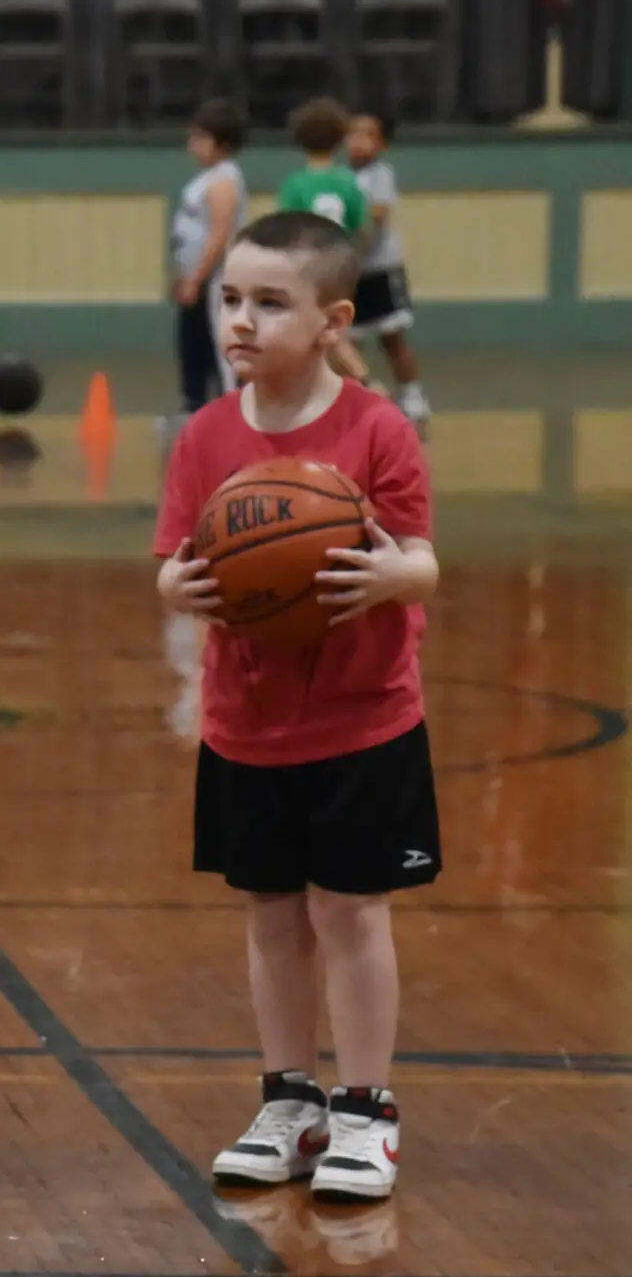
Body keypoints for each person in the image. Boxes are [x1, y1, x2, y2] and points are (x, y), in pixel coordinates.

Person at [154, 212, 438, 1204]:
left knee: (351, 912)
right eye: (230, 299)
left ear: (332, 320)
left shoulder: (374, 429)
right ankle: (289, 1099)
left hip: (363, 718)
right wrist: (176, 591)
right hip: (245, 721)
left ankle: (365, 1108)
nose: (240, 319)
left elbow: (423, 560)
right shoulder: (202, 437)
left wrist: (384, 577)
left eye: (269, 302)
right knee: (272, 914)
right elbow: (171, 567)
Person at [276, 98, 372, 386]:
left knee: (326, 333)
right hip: (341, 264)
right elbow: (362, 227)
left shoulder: (296, 184)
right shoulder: (348, 182)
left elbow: (286, 229)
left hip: (308, 269)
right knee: (328, 330)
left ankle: (367, 385)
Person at [347, 110, 430, 428]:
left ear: (381, 145)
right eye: (353, 133)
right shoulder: (344, 178)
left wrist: (357, 251)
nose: (358, 141)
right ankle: (352, 400)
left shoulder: (380, 174)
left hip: (380, 269)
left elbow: (376, 218)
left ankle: (413, 396)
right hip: (351, 275)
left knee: (392, 337)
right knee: (347, 341)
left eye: (367, 135)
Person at [169, 98, 249, 425]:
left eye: (200, 138)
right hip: (197, 279)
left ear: (223, 142)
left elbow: (219, 235)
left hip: (215, 281)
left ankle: (234, 412)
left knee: (220, 350)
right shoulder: (206, 178)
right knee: (193, 344)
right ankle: (196, 409)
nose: (192, 145)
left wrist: (197, 277)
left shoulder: (224, 180)